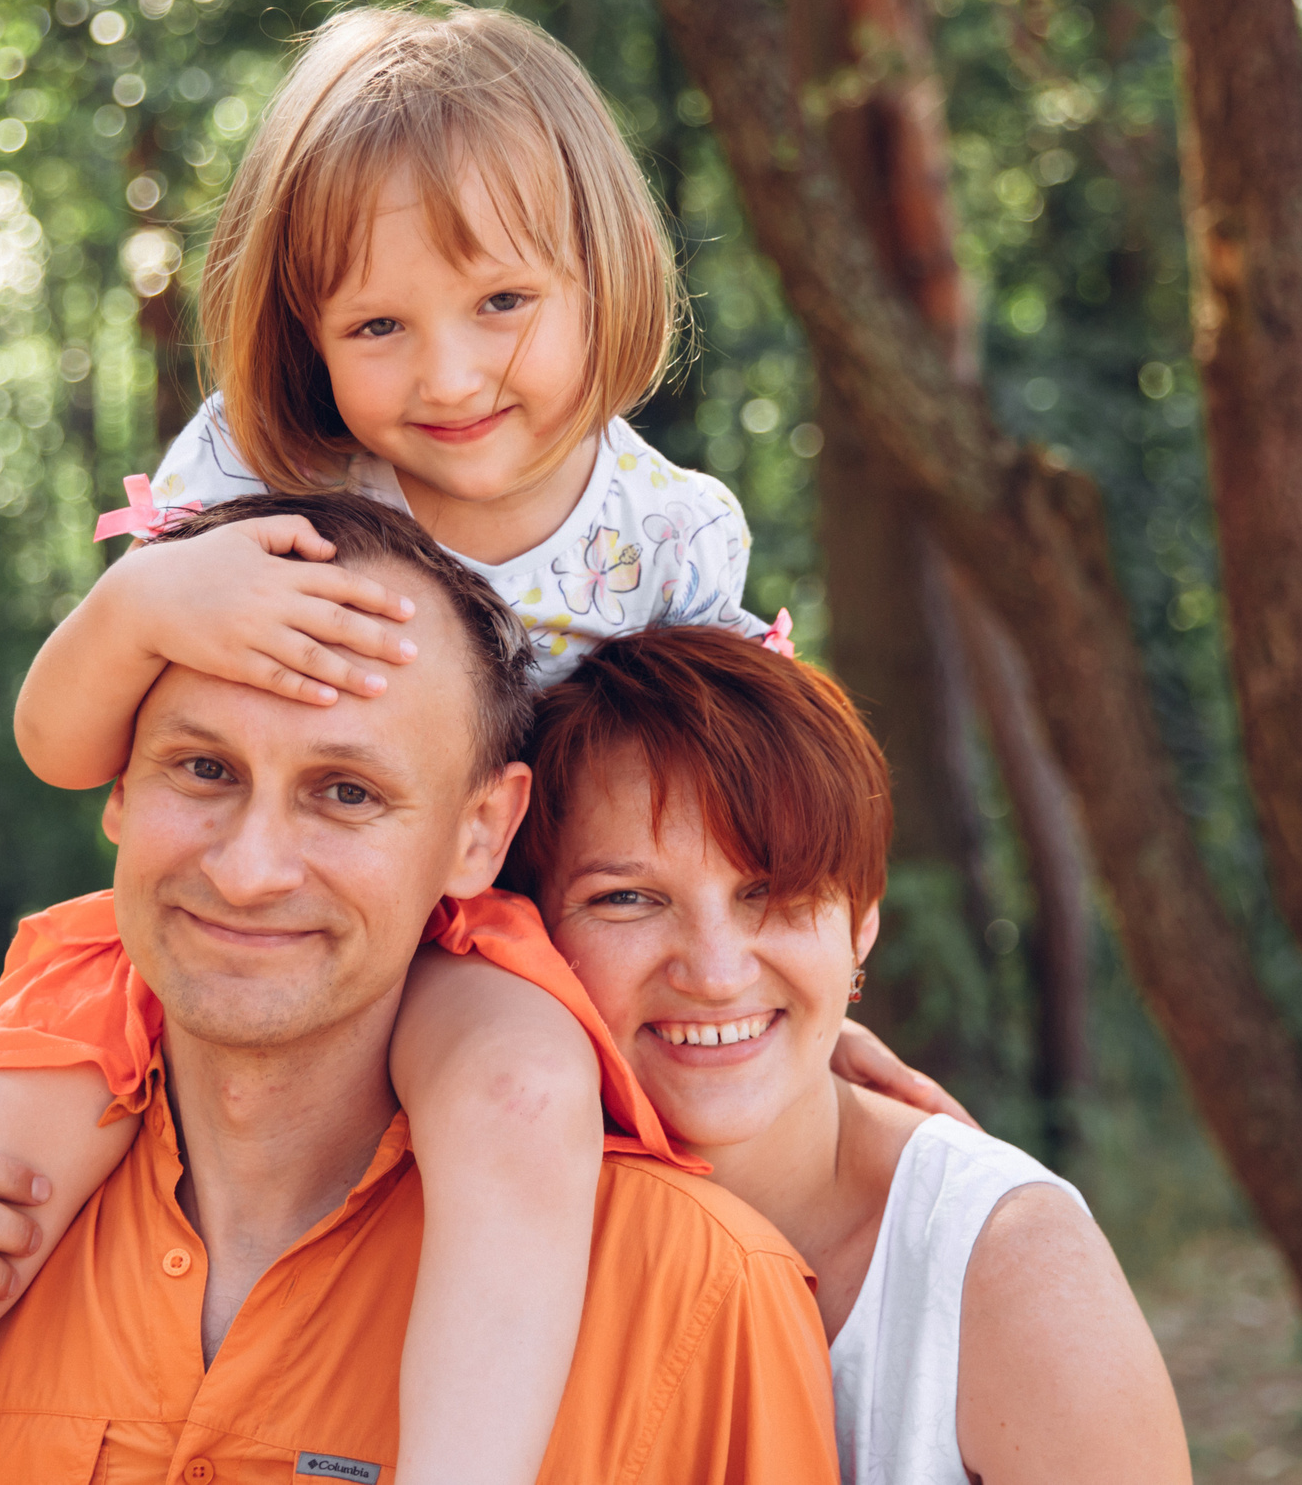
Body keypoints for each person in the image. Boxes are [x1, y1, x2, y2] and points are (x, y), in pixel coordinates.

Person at [0, 3, 834, 1485]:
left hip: (490, 942)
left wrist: (821, 1030)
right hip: (218, 903)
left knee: (519, 1101)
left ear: (601, 272)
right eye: (378, 327)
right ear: (309, 336)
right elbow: (59, 740)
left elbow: (733, 821)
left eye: (501, 302)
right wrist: (151, 594)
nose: (450, 375)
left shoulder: (665, 532)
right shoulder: (258, 472)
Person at [0, 495, 843, 1485]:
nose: (247, 868)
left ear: (481, 837)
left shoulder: (690, 1293)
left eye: (346, 794)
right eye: (203, 769)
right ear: (118, 789)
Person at [508, 627, 1190, 1484]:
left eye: (772, 892)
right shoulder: (475, 1223)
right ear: (530, 927)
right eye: (629, 898)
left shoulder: (1009, 1266)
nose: (716, 973)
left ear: (861, 920)